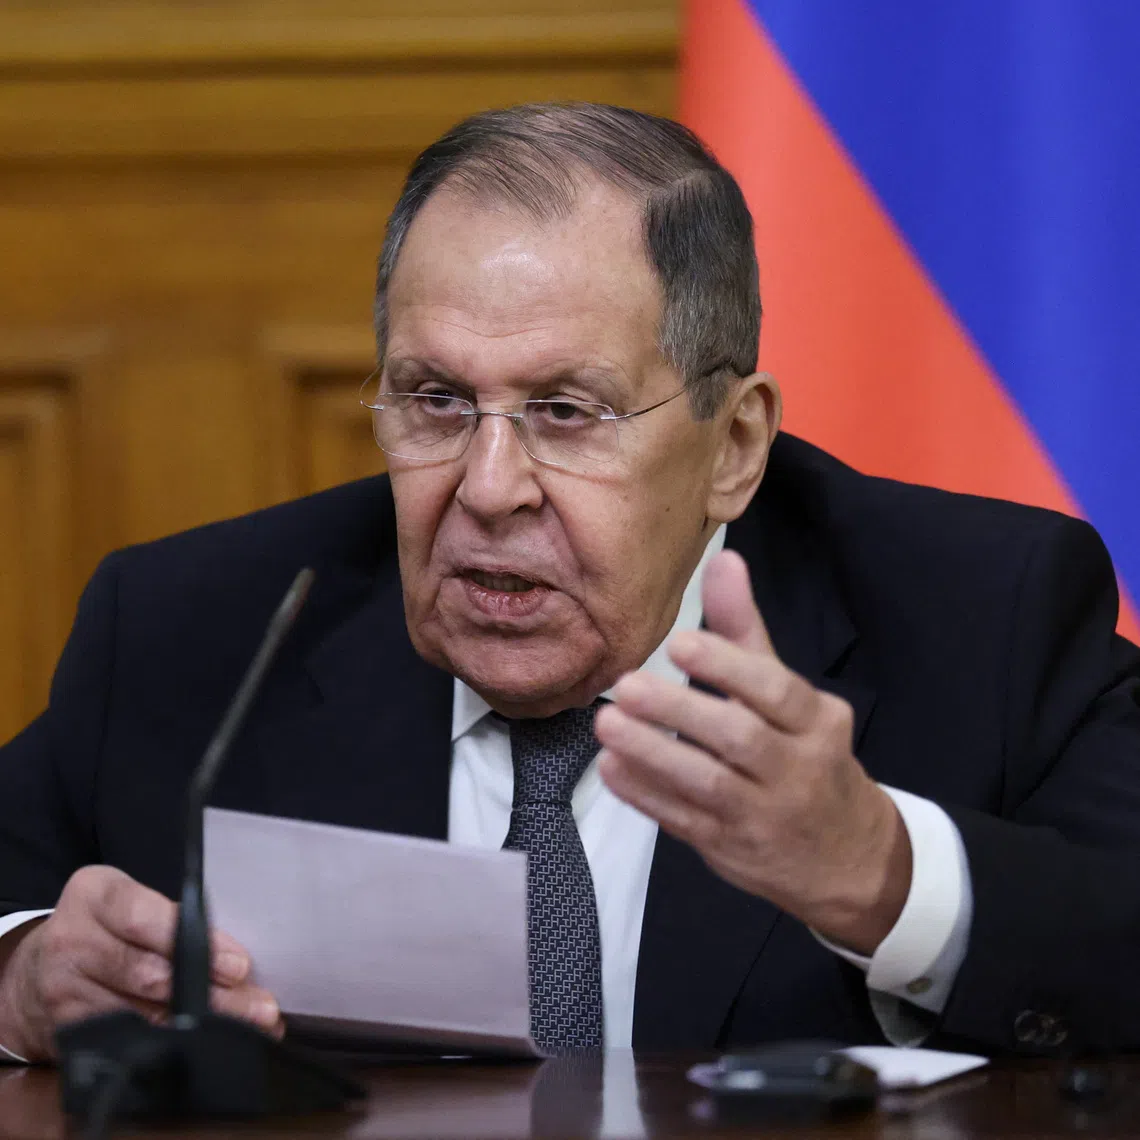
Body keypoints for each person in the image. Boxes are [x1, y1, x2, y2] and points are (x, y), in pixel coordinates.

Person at [1, 102, 1139, 1062]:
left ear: (734, 445)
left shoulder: (986, 619)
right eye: (437, 400)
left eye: (566, 412)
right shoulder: (192, 628)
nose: (490, 488)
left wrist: (877, 872)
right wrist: (25, 970)